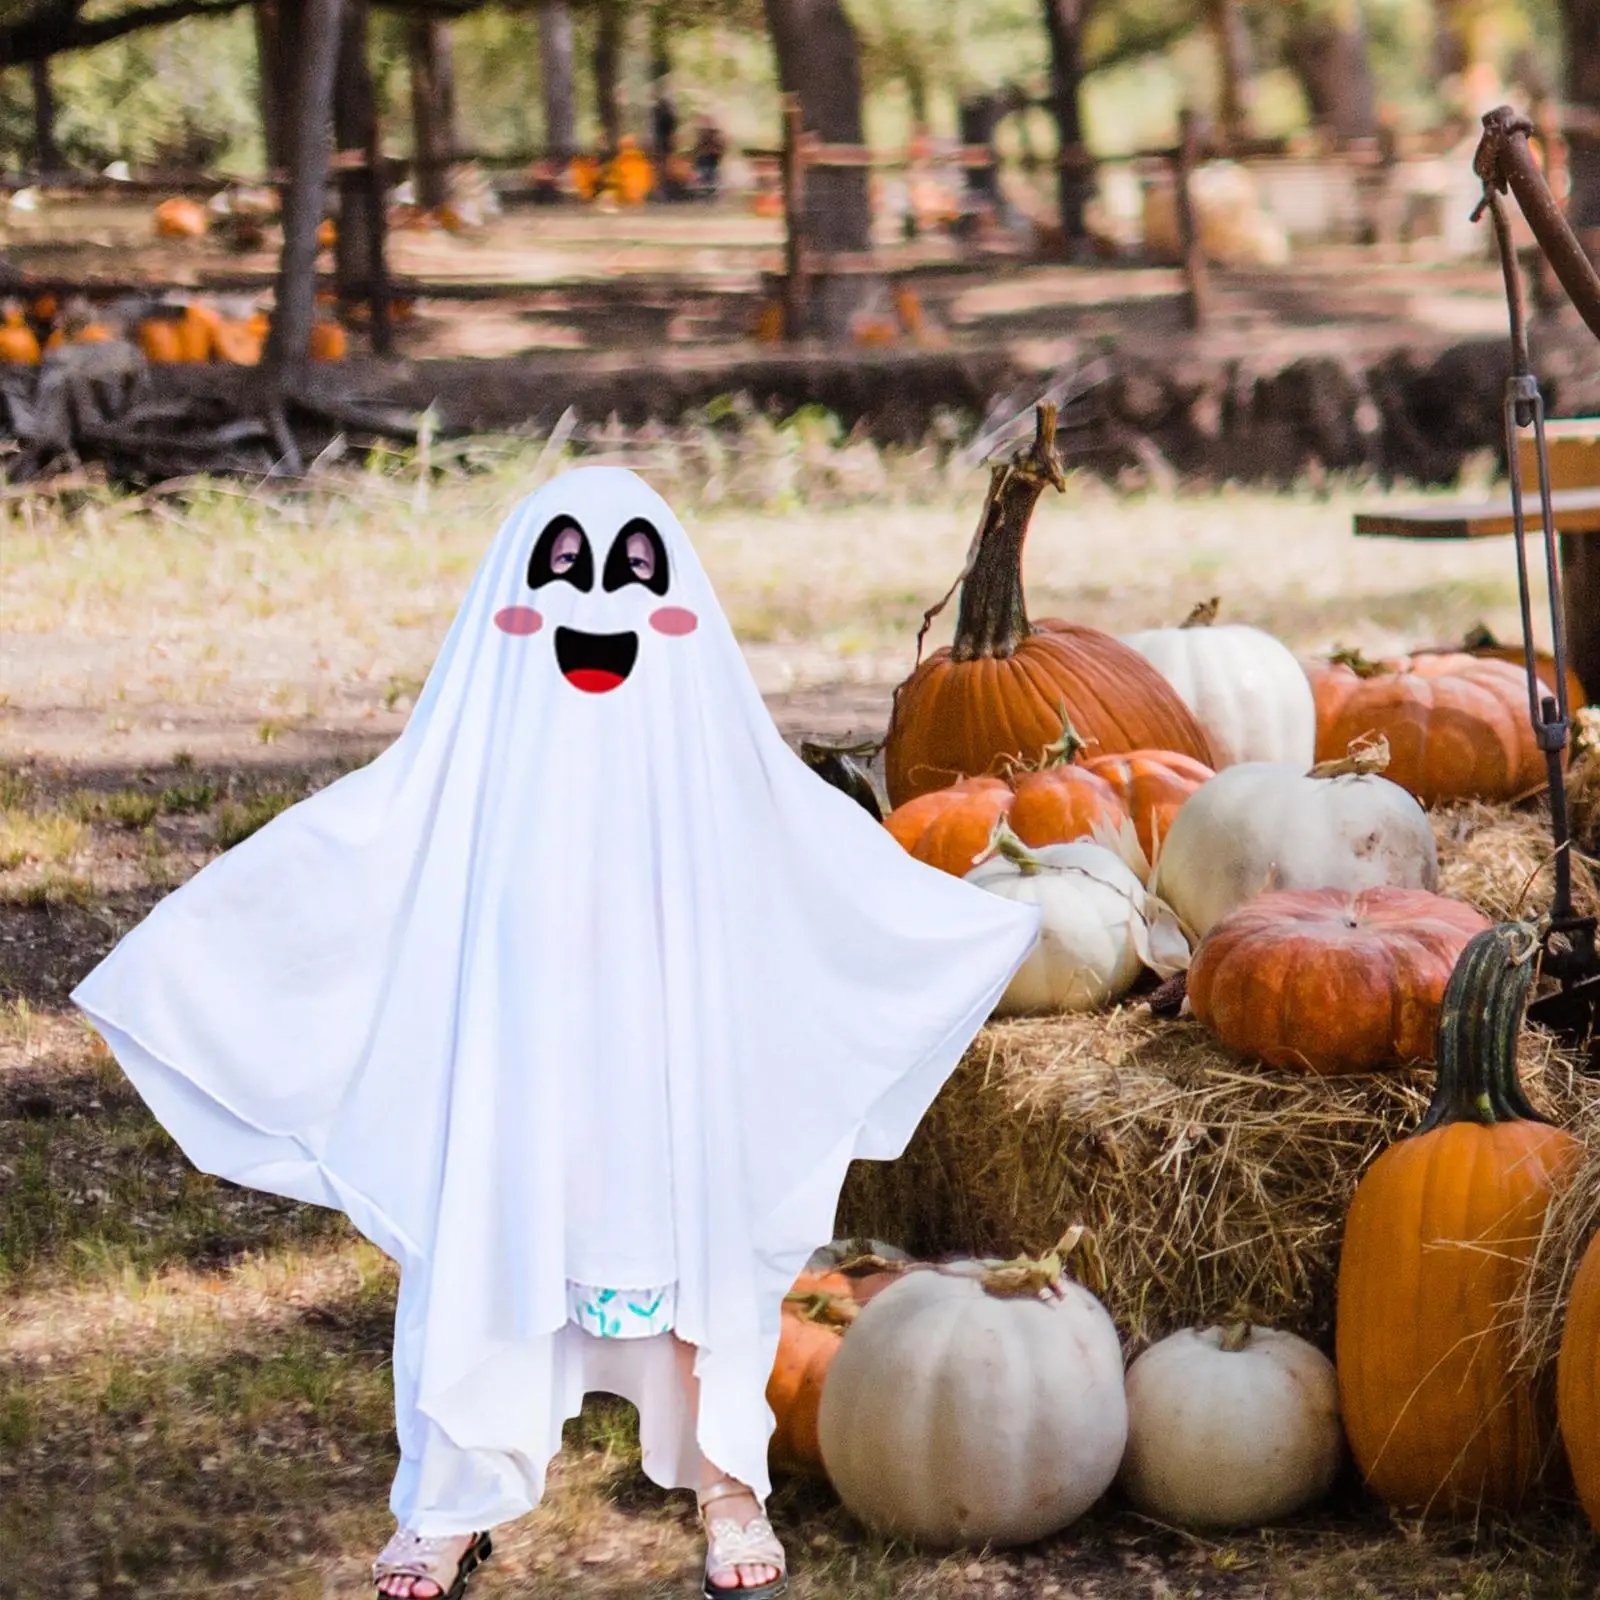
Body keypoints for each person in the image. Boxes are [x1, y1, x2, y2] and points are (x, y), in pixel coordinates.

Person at [72, 467, 1040, 1600]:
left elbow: (809, 855)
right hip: (515, 1060)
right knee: (485, 1241)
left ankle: (729, 1482)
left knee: (696, 1239)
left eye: (634, 573)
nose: (601, 604)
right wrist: (194, 957)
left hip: (667, 1066)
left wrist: (960, 924)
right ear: (505, 606)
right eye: (568, 571)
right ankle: (449, 1502)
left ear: (683, 609)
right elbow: (363, 844)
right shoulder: (467, 776)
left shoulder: (712, 774)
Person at [693, 117, 727, 199]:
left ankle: (709, 192)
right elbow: (698, 147)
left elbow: (721, 147)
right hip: (706, 158)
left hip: (710, 158)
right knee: (708, 175)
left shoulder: (711, 134)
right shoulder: (708, 134)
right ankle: (708, 192)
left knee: (710, 175)